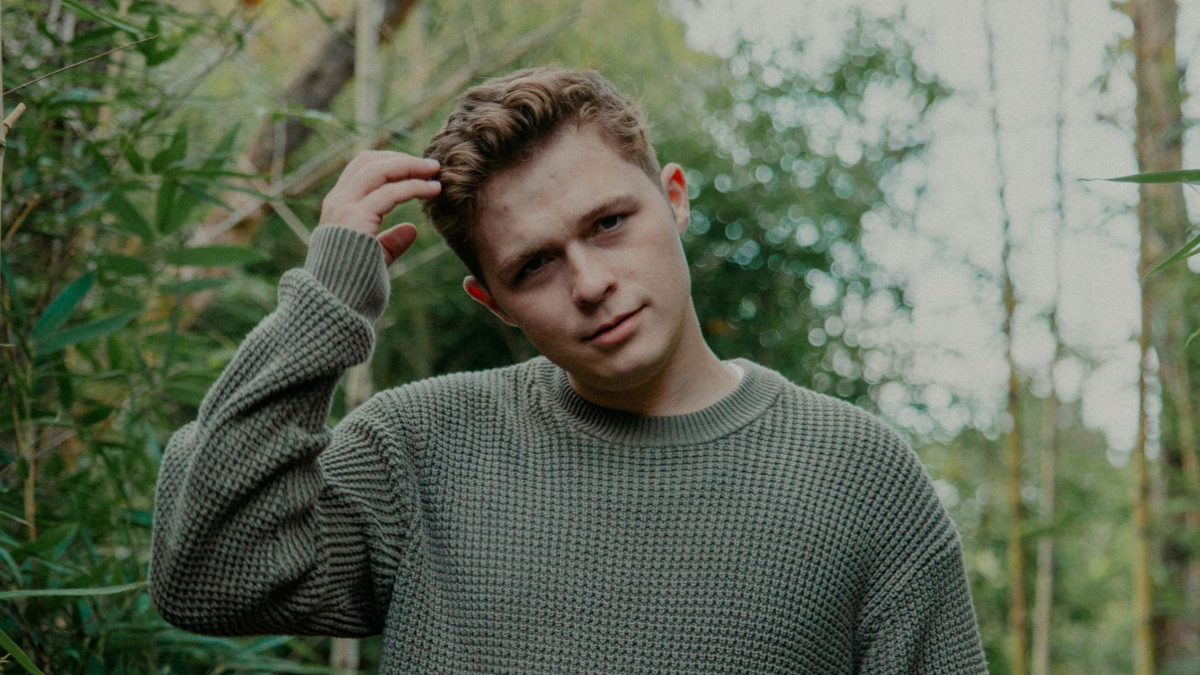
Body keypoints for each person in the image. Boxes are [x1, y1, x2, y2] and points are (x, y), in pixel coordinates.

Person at [149, 66, 989, 674]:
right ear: (493, 302)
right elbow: (207, 575)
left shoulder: (858, 474)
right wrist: (323, 304)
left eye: (609, 223)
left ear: (675, 198)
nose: (589, 283)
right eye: (535, 265)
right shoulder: (421, 447)